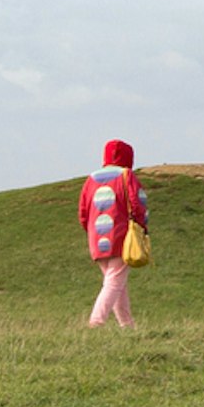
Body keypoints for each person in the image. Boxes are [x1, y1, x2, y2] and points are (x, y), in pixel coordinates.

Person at [78, 138, 147, 328]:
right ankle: (96, 322)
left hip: (97, 238)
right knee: (114, 283)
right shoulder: (126, 175)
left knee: (116, 283)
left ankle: (127, 325)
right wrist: (142, 226)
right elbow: (137, 203)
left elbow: (83, 212)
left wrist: (91, 230)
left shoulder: (90, 179)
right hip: (120, 236)